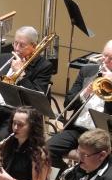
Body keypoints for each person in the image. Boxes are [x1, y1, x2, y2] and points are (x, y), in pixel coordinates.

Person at [48, 40, 112, 171]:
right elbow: (68, 103)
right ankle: (66, 178)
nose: (105, 61)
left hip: (103, 135)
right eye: (104, 55)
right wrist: (85, 93)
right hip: (77, 129)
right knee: (46, 150)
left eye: (111, 59)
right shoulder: (87, 71)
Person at [0, 26, 54, 140]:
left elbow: (37, 99)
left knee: (1, 139)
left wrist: (21, 74)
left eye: (22, 45)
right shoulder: (4, 58)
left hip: (18, 115)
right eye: (15, 43)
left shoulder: (44, 66)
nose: (16, 48)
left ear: (34, 46)